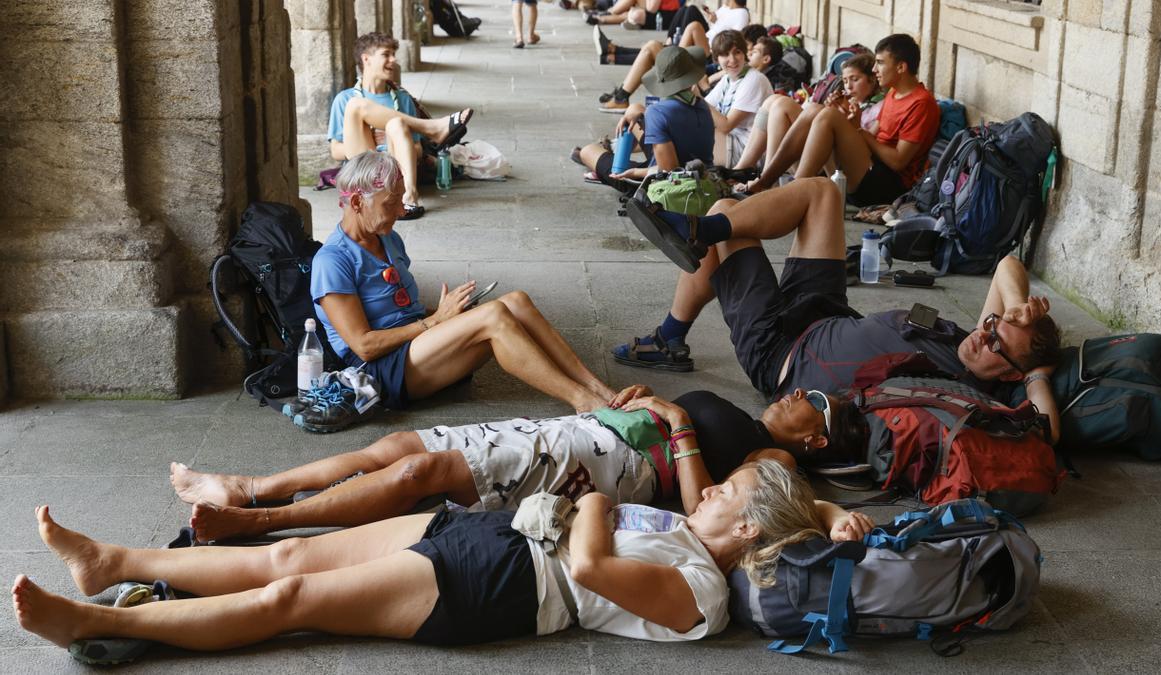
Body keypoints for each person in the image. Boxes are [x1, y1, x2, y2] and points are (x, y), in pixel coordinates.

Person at [15, 461, 876, 653]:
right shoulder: (696, 531)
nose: (710, 488)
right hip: (488, 533)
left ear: (754, 530)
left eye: (727, 489)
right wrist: (838, 511)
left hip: (501, 584)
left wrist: (597, 504)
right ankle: (113, 559)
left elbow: (588, 568)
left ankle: (91, 620)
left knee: (295, 600)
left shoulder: (702, 591)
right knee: (294, 556)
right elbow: (799, 505)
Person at [618, 178, 1065, 442]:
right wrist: (1019, 311)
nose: (985, 333)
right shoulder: (975, 338)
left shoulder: (973, 387)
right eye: (993, 323)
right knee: (824, 193)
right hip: (824, 311)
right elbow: (1009, 265)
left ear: (1010, 374)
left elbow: (1048, 428)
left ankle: (671, 328)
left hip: (782, 354)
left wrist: (1038, 372)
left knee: (727, 213)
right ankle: (697, 235)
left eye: (997, 342)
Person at [169, 382, 868, 541]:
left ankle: (258, 521)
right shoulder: (752, 416)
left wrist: (680, 423)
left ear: (815, 440)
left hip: (611, 463)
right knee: (404, 448)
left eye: (815, 401)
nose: (797, 391)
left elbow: (711, 507)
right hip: (591, 430)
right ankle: (253, 485)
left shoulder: (772, 452)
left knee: (423, 472)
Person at [308, 152, 616, 429]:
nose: (401, 211)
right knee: (493, 315)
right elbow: (364, 346)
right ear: (359, 203)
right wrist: (437, 321)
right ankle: (582, 401)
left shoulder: (387, 239)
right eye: (391, 203)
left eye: (401, 200)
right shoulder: (332, 261)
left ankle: (599, 390)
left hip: (417, 344)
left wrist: (449, 315)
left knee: (517, 302)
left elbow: (403, 312)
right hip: (382, 371)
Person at [748, 33, 938, 207]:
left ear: (901, 67)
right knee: (816, 109)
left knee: (828, 116)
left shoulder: (921, 103)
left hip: (888, 187)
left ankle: (792, 195)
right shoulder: (894, 93)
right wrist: (850, 122)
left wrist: (857, 130)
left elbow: (898, 162)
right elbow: (873, 137)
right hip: (868, 168)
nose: (874, 69)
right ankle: (765, 181)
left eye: (880, 63)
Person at [328, 32, 473, 217]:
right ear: (366, 59)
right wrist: (371, 137)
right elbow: (336, 151)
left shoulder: (403, 99)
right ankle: (432, 128)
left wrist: (392, 143)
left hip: (394, 172)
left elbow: (418, 150)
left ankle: (410, 196)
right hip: (364, 172)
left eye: (393, 54)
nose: (393, 60)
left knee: (396, 124)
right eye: (386, 54)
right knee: (356, 105)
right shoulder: (345, 99)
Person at [574, 46, 714, 186]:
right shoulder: (702, 105)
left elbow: (668, 173)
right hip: (702, 175)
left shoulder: (657, 113)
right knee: (634, 109)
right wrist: (640, 116)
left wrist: (635, 172)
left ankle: (611, 162)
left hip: (667, 187)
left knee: (587, 151)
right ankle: (613, 156)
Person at [734, 50, 883, 175]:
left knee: (784, 104)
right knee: (774, 101)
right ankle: (759, 172)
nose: (848, 86)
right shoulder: (848, 101)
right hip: (819, 157)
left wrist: (836, 117)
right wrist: (832, 110)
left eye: (855, 79)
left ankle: (764, 177)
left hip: (840, 168)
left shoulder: (877, 108)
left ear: (872, 80)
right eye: (845, 80)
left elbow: (861, 147)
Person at [596, 0, 751, 112]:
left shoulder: (742, 14)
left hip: (712, 55)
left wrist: (714, 74)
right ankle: (621, 95)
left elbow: (735, 42)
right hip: (708, 48)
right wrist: (714, 20)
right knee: (652, 46)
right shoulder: (725, 8)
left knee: (690, 24)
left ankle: (621, 95)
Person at [701, 30, 772, 166]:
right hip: (732, 141)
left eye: (737, 52)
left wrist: (698, 97)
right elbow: (703, 108)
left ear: (745, 53)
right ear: (717, 59)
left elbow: (726, 126)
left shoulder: (754, 79)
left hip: (749, 152)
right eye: (725, 54)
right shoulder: (728, 78)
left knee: (688, 138)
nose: (732, 60)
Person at [584, 0, 678, 31]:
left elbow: (651, 8)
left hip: (665, 15)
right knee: (632, 13)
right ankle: (602, 17)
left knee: (635, 15)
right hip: (656, 12)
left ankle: (605, 16)